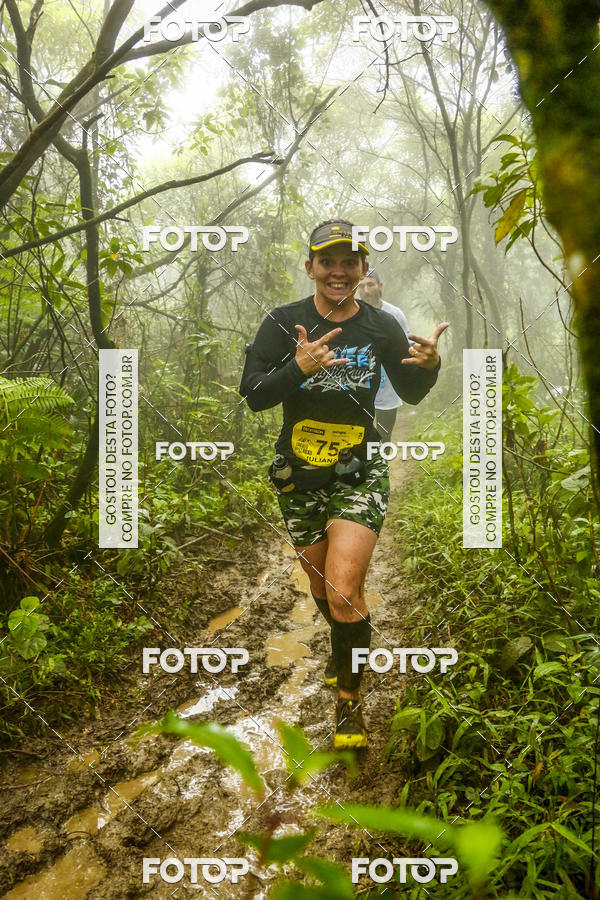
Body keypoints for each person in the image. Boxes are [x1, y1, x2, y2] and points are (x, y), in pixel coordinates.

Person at [240, 219, 448, 749]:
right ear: (310, 267)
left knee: (342, 587)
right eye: (327, 261)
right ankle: (343, 645)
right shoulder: (281, 322)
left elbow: (411, 391)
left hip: (360, 466)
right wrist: (298, 368)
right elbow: (255, 394)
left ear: (363, 269)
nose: (338, 271)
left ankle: (349, 703)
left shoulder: (381, 326)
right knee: (319, 587)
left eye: (349, 262)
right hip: (299, 471)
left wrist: (431, 366)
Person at [359, 268, 409, 440]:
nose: (366, 290)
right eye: (361, 286)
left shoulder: (395, 315)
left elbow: (406, 347)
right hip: (359, 389)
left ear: (379, 286)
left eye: (370, 285)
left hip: (387, 390)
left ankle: (383, 458)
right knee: (358, 438)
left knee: (384, 437)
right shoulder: (351, 314)